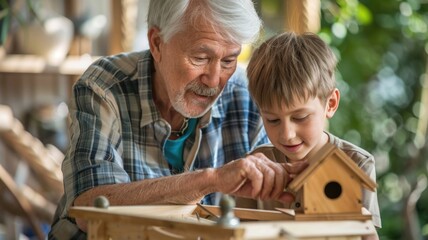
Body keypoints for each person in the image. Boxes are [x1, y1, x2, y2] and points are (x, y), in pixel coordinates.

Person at [48, 1, 305, 239]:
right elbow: (87, 210)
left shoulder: (247, 94)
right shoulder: (104, 86)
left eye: (229, 60)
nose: (215, 80)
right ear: (157, 44)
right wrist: (210, 180)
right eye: (200, 58)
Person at [243, 32, 381, 239]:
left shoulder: (357, 165)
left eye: (300, 117)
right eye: (272, 120)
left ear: (331, 104)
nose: (287, 135)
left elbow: (366, 234)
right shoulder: (257, 166)